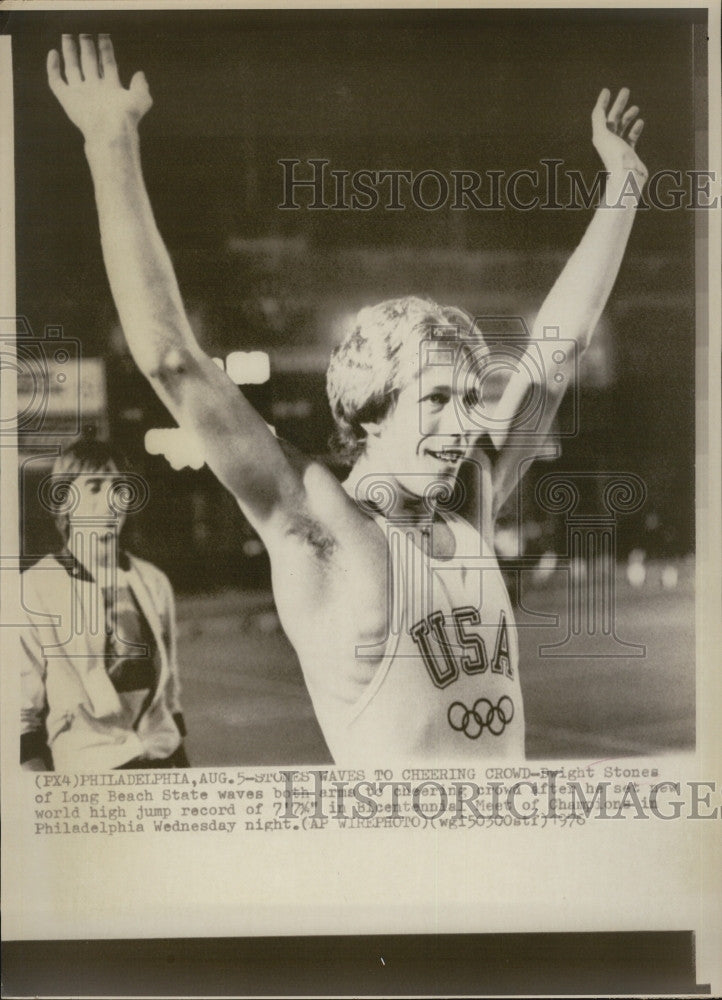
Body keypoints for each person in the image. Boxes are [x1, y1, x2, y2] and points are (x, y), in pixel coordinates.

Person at [47, 35, 648, 761]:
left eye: (469, 397)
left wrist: (623, 189)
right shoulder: (315, 521)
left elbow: (559, 353)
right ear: (373, 406)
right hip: (393, 867)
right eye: (435, 399)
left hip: (507, 867)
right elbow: (172, 359)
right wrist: (110, 145)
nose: (464, 422)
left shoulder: (470, 500)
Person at [20, 439, 189, 771]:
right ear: (65, 500)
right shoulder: (35, 587)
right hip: (90, 771)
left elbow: (171, 699)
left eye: (119, 489)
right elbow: (20, 718)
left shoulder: (153, 581)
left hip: (161, 761)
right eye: (95, 487)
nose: (111, 502)